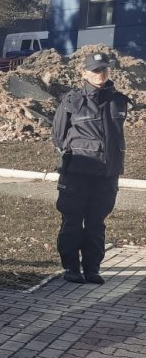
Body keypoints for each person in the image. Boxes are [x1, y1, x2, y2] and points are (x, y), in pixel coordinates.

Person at [51, 51, 129, 284]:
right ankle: (72, 268)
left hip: (107, 174)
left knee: (96, 222)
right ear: (84, 73)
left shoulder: (119, 100)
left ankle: (92, 269)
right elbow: (58, 135)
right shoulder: (73, 101)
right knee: (73, 220)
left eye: (104, 69)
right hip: (78, 173)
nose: (100, 74)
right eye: (95, 70)